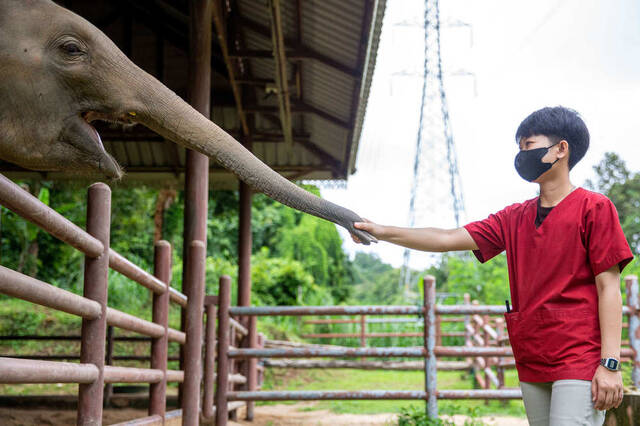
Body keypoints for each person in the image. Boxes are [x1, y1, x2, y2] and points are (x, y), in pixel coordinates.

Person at [351, 106, 633, 425]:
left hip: (579, 354)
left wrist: (610, 364)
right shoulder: (512, 217)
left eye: (528, 145)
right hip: (532, 354)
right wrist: (382, 231)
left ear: (561, 149)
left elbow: (609, 288)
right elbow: (445, 238)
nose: (521, 155)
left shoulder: (594, 208)